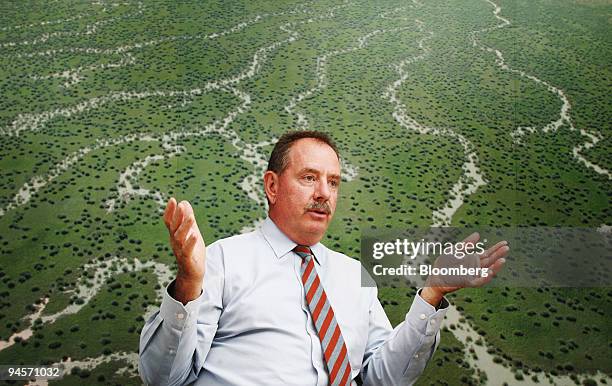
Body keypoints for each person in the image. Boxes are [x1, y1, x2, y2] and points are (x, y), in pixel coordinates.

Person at [139, 130, 507, 386]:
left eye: (333, 182)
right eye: (309, 178)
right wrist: (188, 283)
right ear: (272, 186)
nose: (323, 194)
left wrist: (432, 292)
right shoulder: (224, 260)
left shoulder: (352, 276)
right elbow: (164, 378)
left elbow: (383, 378)